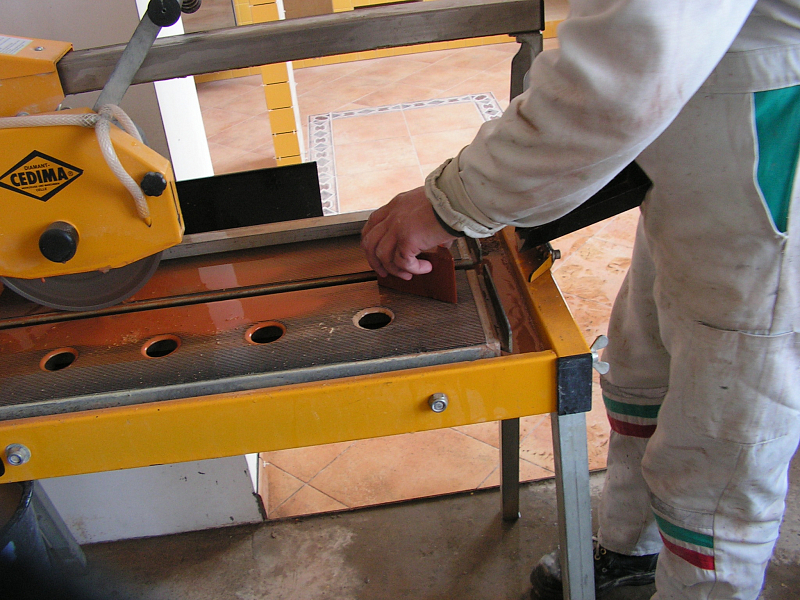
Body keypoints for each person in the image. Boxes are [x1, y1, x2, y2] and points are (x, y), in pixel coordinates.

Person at [360, 0, 800, 598]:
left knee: (719, 454)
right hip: (702, 157)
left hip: (768, 170)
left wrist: (451, 201)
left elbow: (623, 72)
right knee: (643, 371)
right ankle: (631, 550)